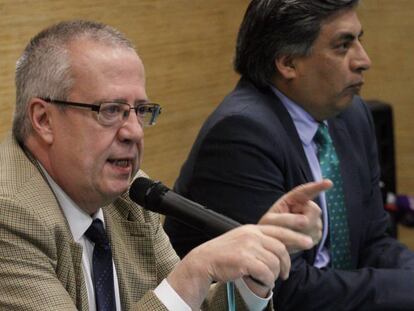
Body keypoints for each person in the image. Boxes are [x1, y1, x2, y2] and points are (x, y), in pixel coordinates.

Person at [0, 20, 329, 311]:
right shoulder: (9, 213)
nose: (134, 131)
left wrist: (253, 275)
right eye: (111, 110)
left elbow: (186, 305)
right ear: (43, 119)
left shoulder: (130, 195)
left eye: (140, 111)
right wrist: (193, 273)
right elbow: (181, 291)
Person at [164, 0, 414, 310]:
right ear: (288, 63)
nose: (364, 60)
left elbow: (374, 240)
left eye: (359, 40)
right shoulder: (241, 134)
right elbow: (285, 289)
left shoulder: (351, 114)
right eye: (343, 46)